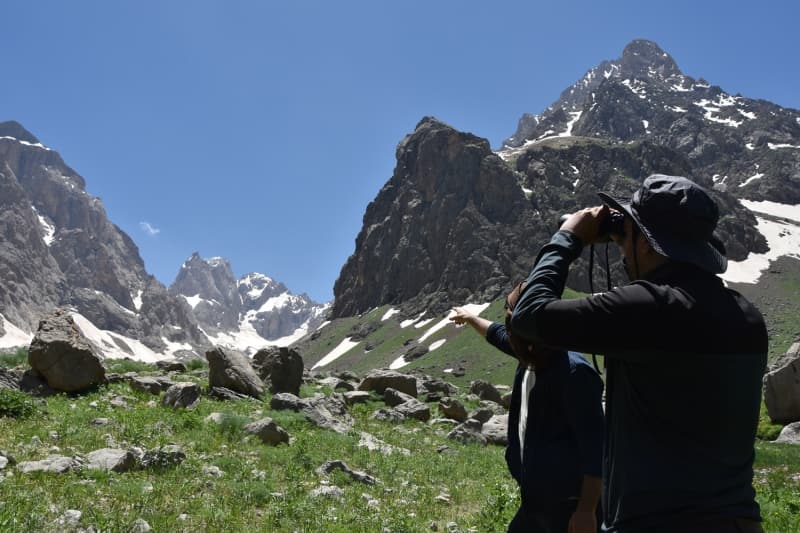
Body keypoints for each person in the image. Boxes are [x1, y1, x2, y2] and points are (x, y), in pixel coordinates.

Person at [509, 174, 768, 532]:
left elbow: (529, 315)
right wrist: (628, 232)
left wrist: (568, 237)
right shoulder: (746, 316)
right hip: (736, 521)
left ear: (646, 244)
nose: (619, 247)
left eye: (627, 235)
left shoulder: (649, 308)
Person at [450, 282, 604, 533]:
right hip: (536, 499)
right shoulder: (529, 349)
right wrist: (470, 318)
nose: (508, 333)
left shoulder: (575, 373)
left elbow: (596, 448)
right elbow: (495, 333)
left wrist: (586, 511)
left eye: (511, 321)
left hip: (568, 506)